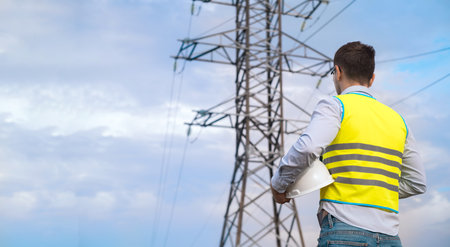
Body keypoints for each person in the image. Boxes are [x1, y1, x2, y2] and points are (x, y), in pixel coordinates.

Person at [270, 41, 426, 246]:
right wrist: (373, 187)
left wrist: (279, 185)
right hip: (389, 237)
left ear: (337, 71)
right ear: (372, 78)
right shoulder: (398, 120)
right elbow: (417, 182)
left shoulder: (336, 106)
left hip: (344, 230)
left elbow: (308, 147)